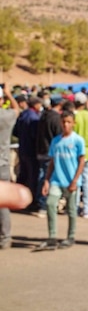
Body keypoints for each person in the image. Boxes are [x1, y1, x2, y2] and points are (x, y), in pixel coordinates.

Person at [39, 110, 86, 249]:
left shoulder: (78, 140)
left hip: (71, 180)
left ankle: (71, 236)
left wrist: (75, 180)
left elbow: (82, 161)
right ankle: (52, 236)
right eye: (64, 122)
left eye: (68, 122)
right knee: (50, 204)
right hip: (56, 180)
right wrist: (47, 180)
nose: (66, 125)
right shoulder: (56, 141)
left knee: (71, 210)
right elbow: (52, 161)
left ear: (73, 123)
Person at [0, 85, 21, 249]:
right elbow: (16, 109)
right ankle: (5, 237)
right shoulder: (5, 116)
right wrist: (9, 94)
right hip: (3, 164)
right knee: (3, 203)